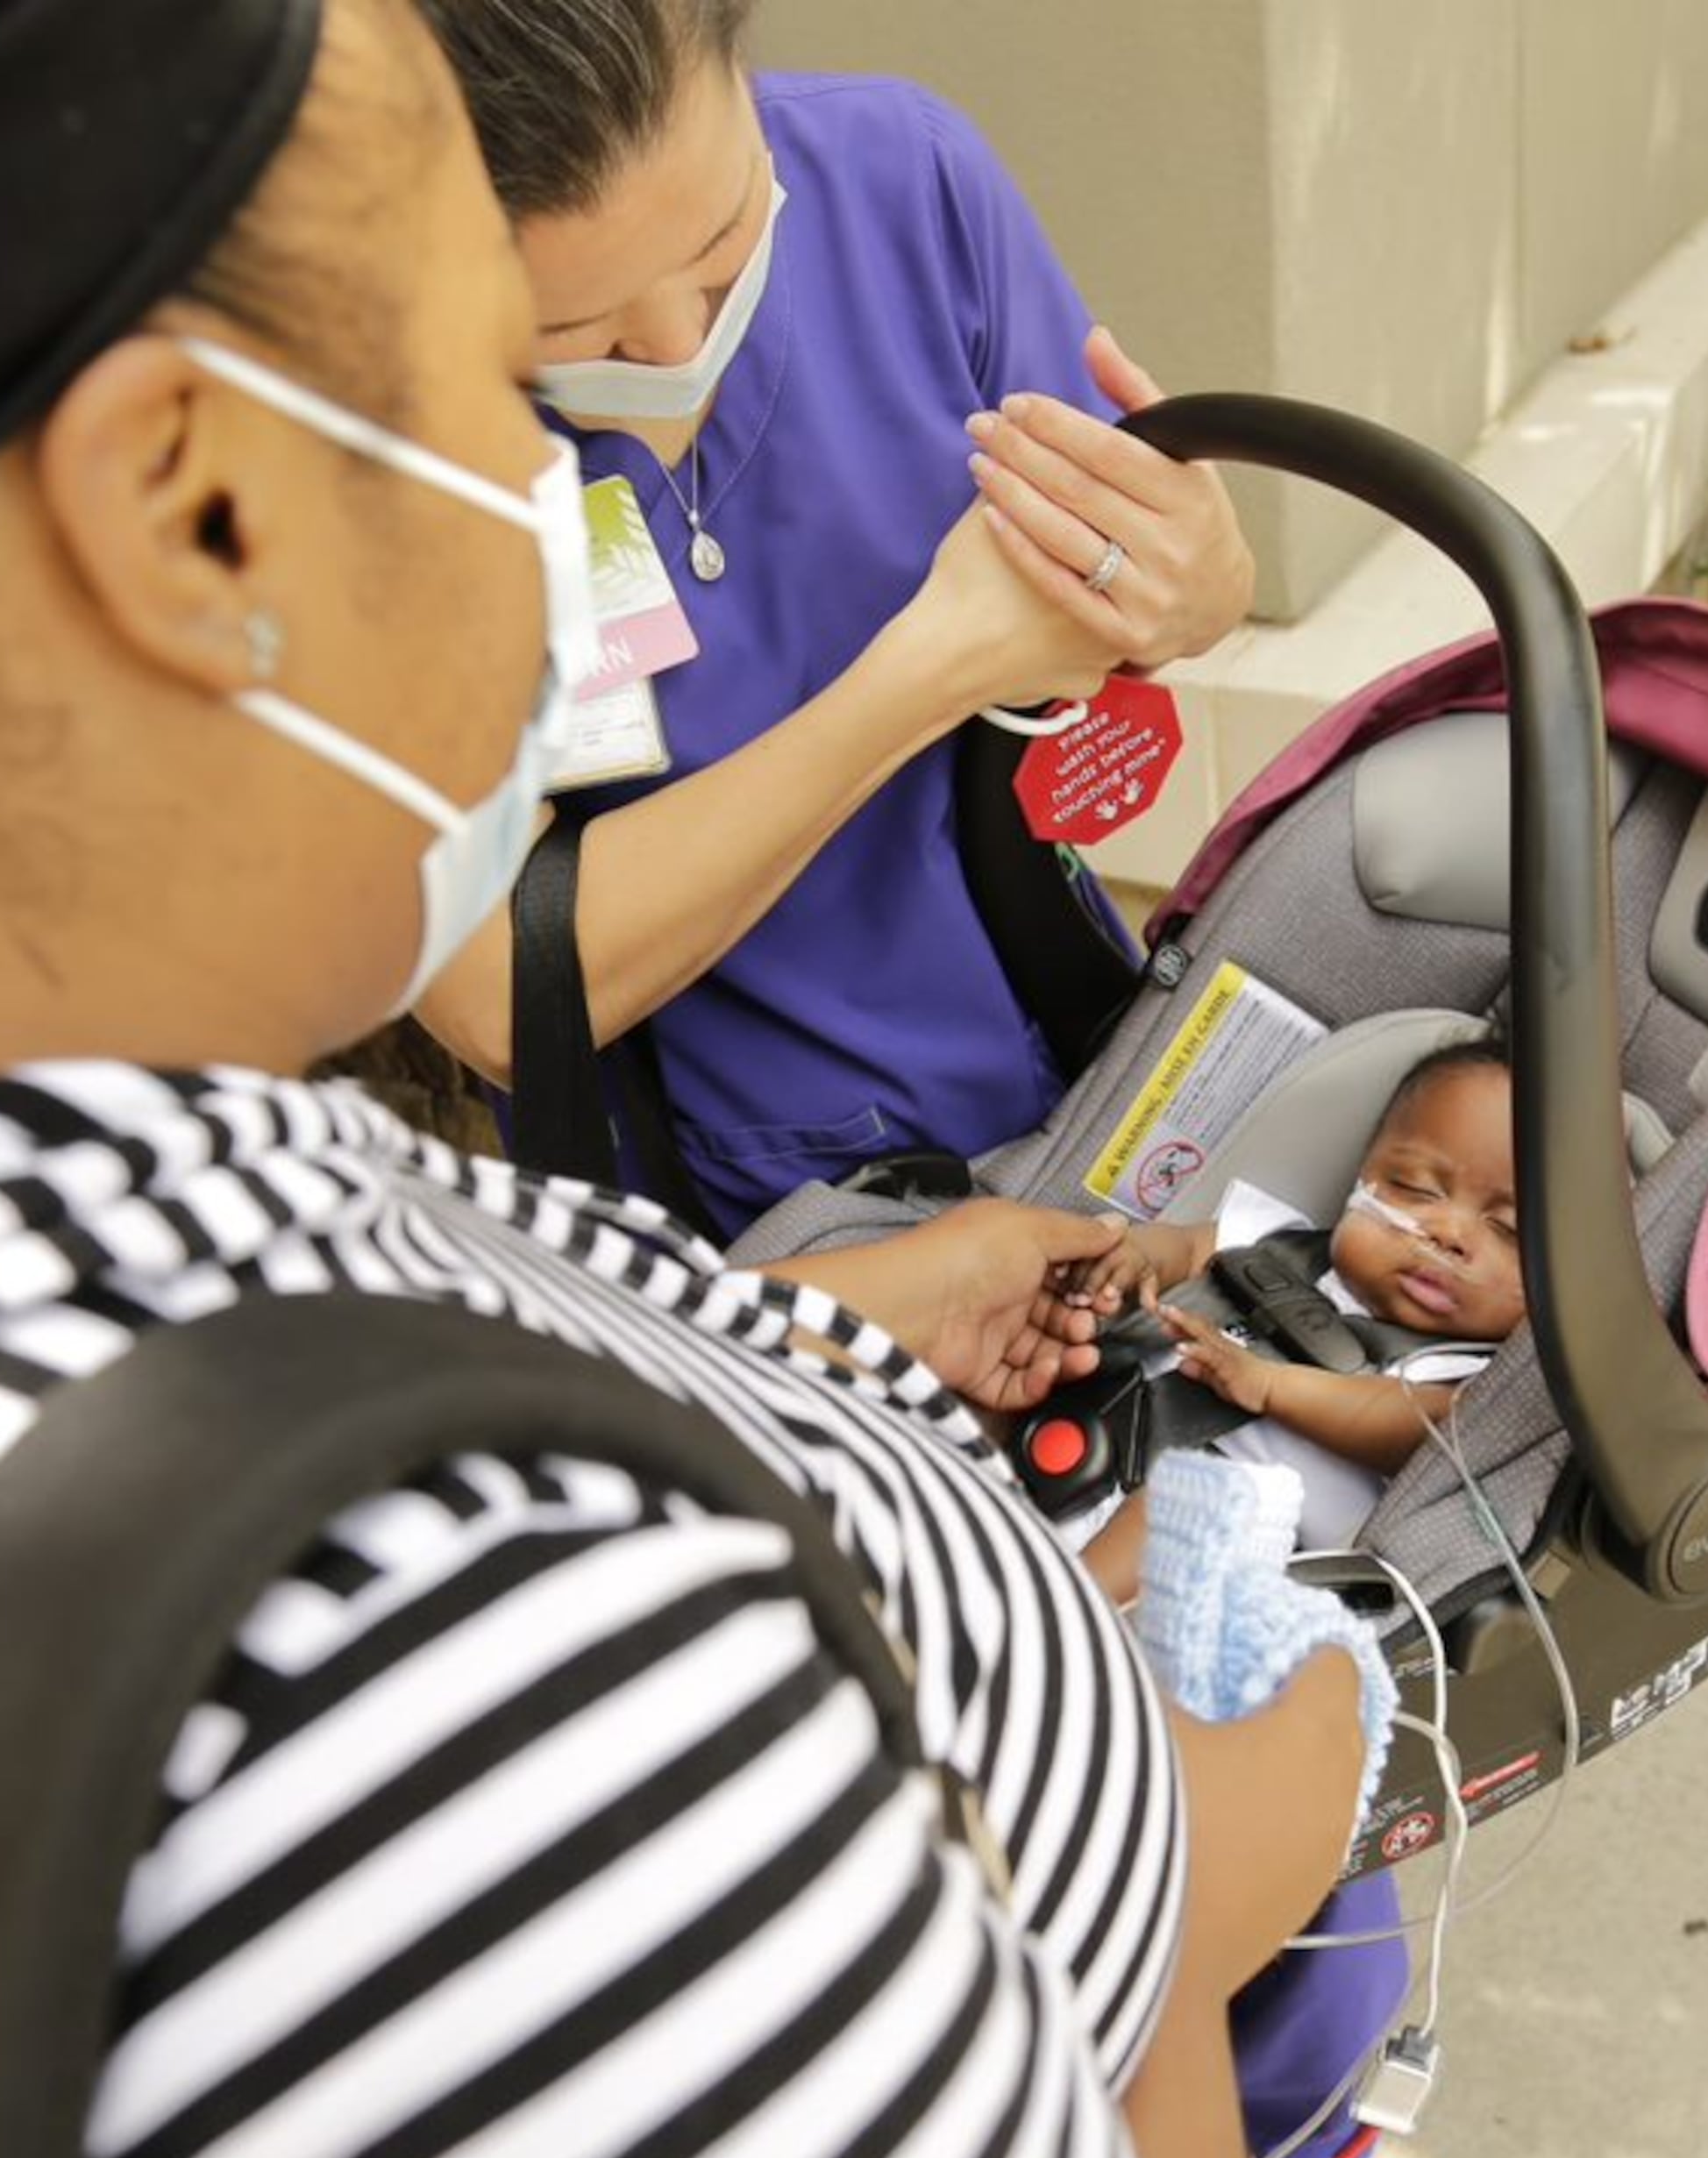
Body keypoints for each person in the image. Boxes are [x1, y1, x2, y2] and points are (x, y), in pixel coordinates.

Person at [0, 4, 1368, 2158]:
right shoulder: (467, 1708)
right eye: (491, 392)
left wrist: (780, 1350)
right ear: (196, 506)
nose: (588, 476)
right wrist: (1250, 1802)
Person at [408, 0, 1257, 1235]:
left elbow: (1127, 604)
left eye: (724, 245)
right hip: (747, 1214)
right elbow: (497, 984)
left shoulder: (901, 180)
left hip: (1081, 1054)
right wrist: (930, 667)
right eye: (573, 332)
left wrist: (1198, 577)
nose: (677, 343)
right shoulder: (361, 439)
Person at [1095, 1040, 1524, 1552]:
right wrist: (1137, 1255)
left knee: (1205, 1505)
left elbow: (1434, 1429)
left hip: (1223, 1542)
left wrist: (1272, 1388)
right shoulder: (1272, 1244)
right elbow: (1184, 1247)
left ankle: (1066, 1613)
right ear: (1361, 1178)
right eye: (1417, 1188)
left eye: (1509, 1230)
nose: (1448, 1234)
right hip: (1084, 1433)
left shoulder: (1465, 1377)